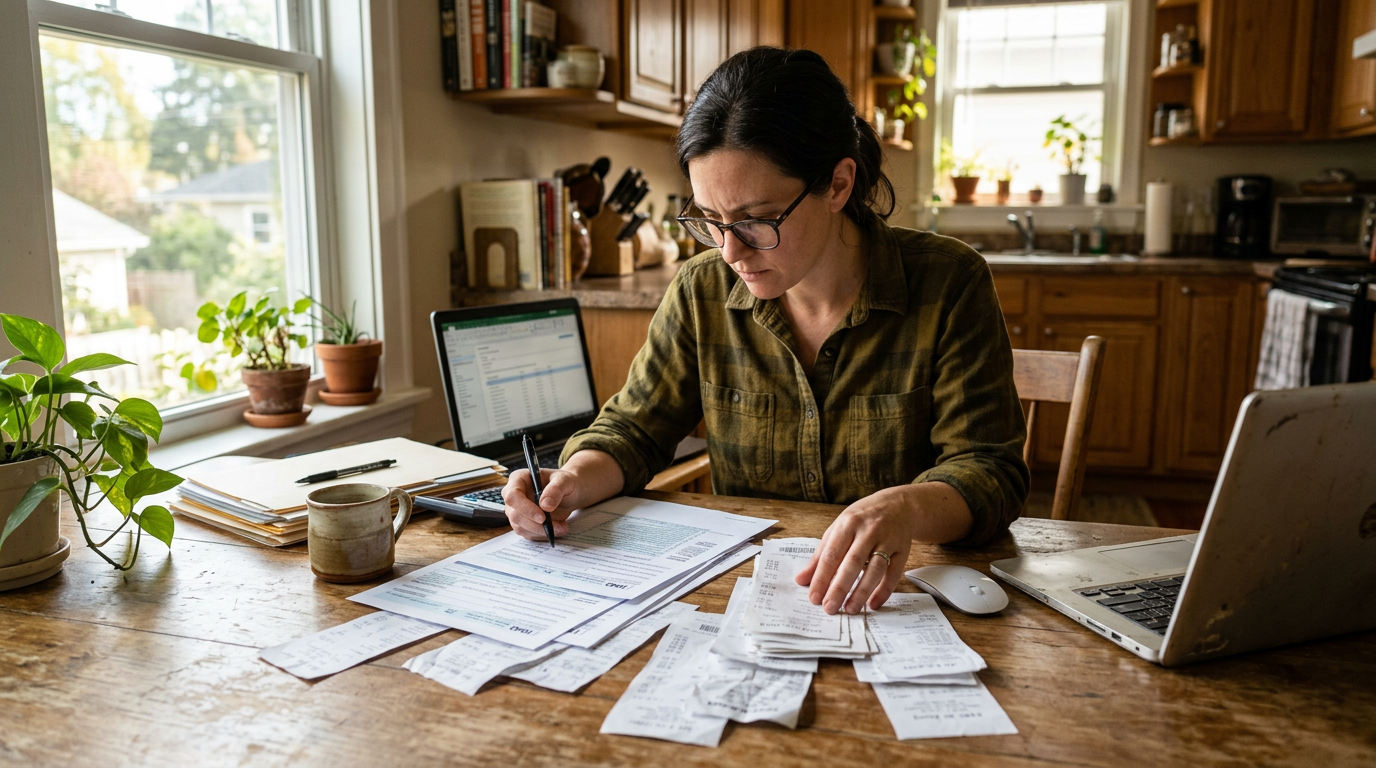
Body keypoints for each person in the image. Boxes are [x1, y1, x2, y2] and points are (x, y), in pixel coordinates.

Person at [503, 47, 1028, 616]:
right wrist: (572, 482)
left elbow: (989, 470)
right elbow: (633, 430)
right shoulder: (701, 291)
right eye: (710, 220)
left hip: (902, 601)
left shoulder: (949, 282)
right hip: (745, 600)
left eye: (756, 220)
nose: (730, 251)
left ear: (837, 184)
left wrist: (906, 507)